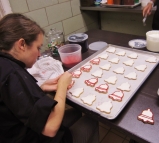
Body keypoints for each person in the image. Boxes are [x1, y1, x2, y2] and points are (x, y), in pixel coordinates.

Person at [0, 13, 99, 143]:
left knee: (75, 113)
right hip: (32, 138)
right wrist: (62, 87)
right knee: (91, 120)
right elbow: (50, 128)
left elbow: (15, 101)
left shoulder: (5, 65)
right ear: (22, 44)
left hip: (16, 130)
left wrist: (40, 88)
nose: (39, 54)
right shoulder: (13, 74)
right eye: (38, 47)